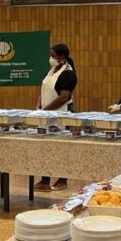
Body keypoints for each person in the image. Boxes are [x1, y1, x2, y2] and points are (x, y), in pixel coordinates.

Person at [34, 43, 77, 192]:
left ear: (62, 57)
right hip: (47, 114)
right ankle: (45, 181)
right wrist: (39, 106)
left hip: (61, 114)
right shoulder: (52, 70)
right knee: (47, 149)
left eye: (54, 56)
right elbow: (43, 91)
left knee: (60, 149)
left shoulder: (68, 73)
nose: (51, 58)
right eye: (50, 55)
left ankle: (62, 180)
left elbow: (63, 97)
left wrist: (45, 110)